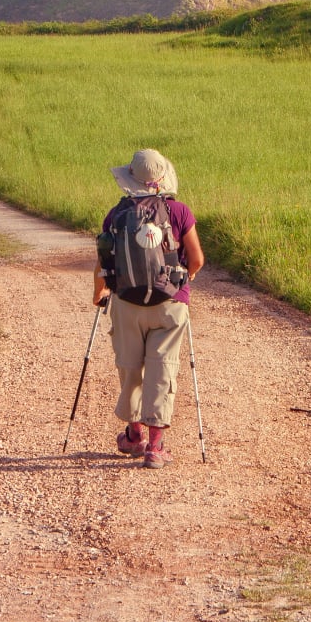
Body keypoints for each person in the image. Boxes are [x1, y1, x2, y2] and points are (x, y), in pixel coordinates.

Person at [94, 148, 205, 469]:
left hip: (126, 302)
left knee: (131, 366)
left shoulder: (116, 215)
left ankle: (133, 434)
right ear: (162, 178)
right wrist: (181, 281)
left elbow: (103, 260)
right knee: (163, 368)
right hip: (170, 304)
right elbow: (196, 259)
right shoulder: (180, 211)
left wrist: (99, 293)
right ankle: (156, 447)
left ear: (130, 179)